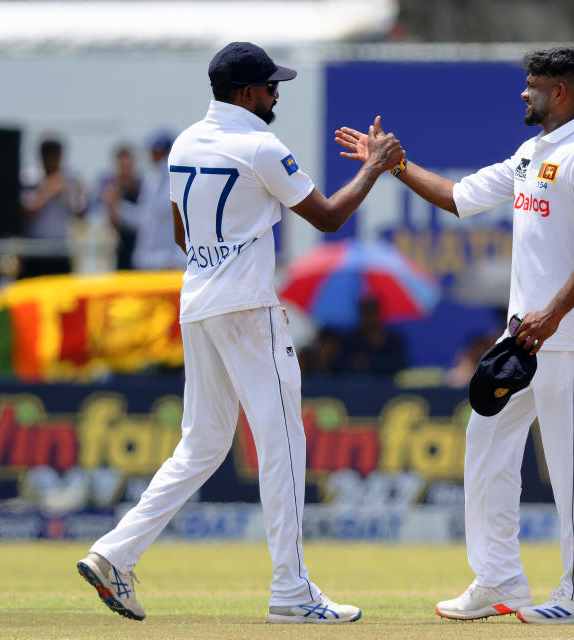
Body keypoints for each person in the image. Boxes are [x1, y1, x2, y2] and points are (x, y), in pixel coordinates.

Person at [76, 41, 404, 624]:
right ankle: (290, 592)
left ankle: (114, 553)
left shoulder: (182, 144)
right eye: (271, 87)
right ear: (246, 93)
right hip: (248, 307)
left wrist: (222, 247)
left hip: (198, 301)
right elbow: (328, 217)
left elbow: (182, 235)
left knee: (201, 444)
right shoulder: (261, 143)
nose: (276, 94)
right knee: (282, 445)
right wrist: (375, 168)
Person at [337, 45, 574, 625]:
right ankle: (500, 580)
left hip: (564, 334)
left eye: (533, 85)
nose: (524, 93)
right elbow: (459, 197)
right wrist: (391, 164)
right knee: (485, 439)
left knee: (569, 461)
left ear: (560, 93)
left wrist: (555, 314)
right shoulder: (530, 153)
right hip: (524, 338)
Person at [131, 130, 187, 271]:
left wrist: (178, 257)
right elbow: (143, 218)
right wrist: (117, 207)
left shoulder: (178, 177)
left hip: (169, 262)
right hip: (148, 260)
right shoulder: (150, 179)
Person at [21, 138, 87, 239]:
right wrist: (49, 189)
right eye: (51, 157)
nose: (55, 162)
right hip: (34, 242)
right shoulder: (29, 177)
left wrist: (72, 192)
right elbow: (26, 213)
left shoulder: (70, 177)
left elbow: (79, 214)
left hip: (61, 243)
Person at [95, 144, 142, 270]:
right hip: (117, 249)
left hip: (138, 247)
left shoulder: (142, 187)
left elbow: (142, 221)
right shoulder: (110, 188)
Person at [339, 296, 407, 377]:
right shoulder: (350, 339)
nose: (369, 318)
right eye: (365, 312)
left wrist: (370, 362)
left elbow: (400, 364)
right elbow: (342, 366)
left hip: (389, 387)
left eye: (372, 312)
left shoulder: (393, 339)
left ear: (378, 313)